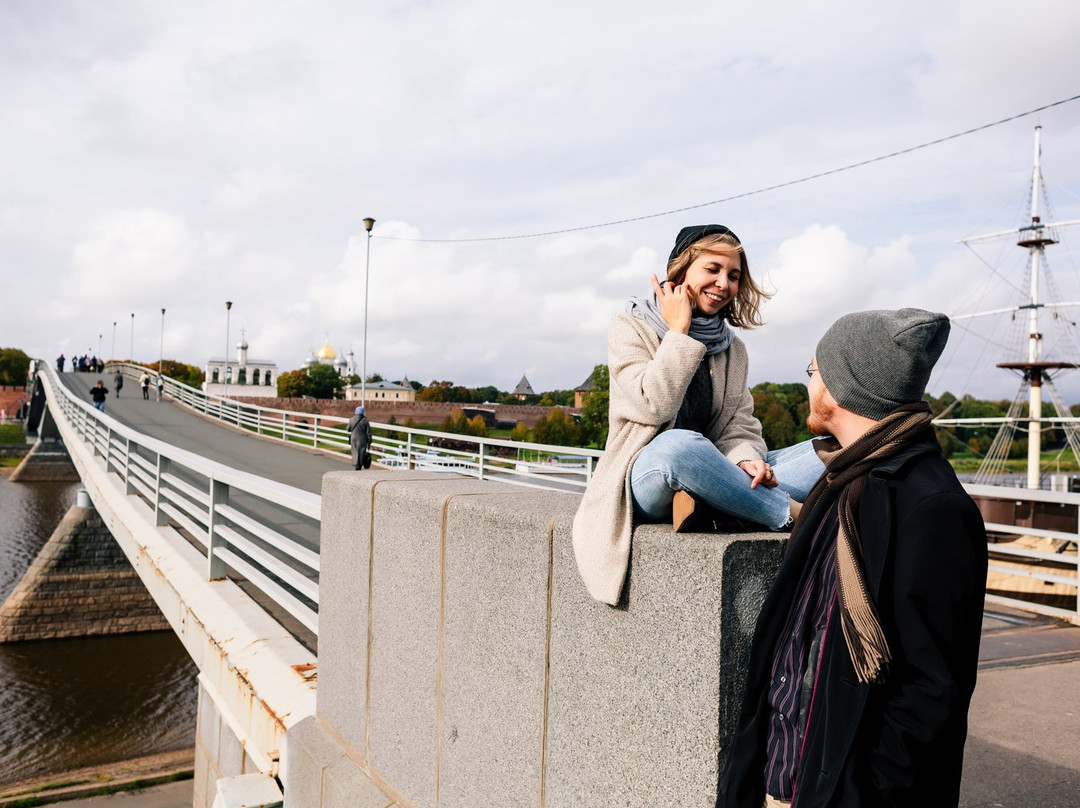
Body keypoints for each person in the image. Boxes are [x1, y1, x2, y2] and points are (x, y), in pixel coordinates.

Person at [718, 309, 988, 808]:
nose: (809, 383)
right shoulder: (841, 482)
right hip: (784, 779)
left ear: (843, 386)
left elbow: (929, 697)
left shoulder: (932, 508)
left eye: (813, 370)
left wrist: (859, 791)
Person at [572, 224, 825, 606]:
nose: (724, 283)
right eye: (713, 269)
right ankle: (789, 514)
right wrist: (679, 332)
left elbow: (738, 426)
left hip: (717, 468)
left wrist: (747, 461)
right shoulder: (629, 327)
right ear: (681, 271)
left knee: (834, 449)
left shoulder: (732, 349)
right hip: (647, 475)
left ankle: (720, 502)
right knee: (680, 445)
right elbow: (651, 405)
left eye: (734, 275)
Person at [348, 406, 373, 470]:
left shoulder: (351, 419)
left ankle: (355, 463)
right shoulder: (365, 421)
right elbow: (368, 432)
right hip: (362, 439)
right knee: (361, 452)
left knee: (355, 451)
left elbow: (348, 429)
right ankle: (360, 464)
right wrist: (369, 440)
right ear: (363, 412)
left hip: (353, 438)